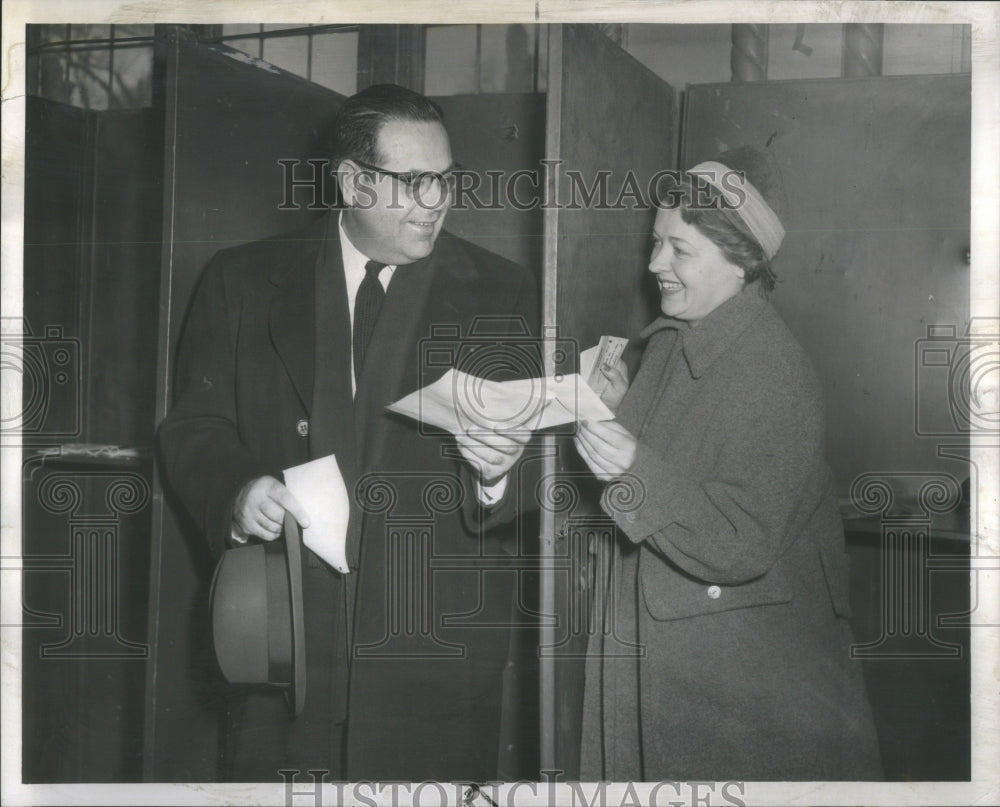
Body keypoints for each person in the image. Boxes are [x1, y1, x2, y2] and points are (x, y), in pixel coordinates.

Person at [158, 84, 539, 782]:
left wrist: (500, 470)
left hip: (429, 668)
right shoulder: (238, 281)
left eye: (447, 180)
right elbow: (193, 425)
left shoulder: (505, 292)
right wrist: (237, 491)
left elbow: (543, 468)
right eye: (414, 182)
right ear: (352, 180)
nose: (437, 202)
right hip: (282, 650)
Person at [574, 147, 883, 781]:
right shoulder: (672, 339)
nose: (654, 263)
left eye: (679, 250)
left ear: (742, 263)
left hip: (738, 678)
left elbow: (739, 540)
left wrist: (631, 466)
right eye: (657, 242)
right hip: (668, 640)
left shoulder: (775, 372)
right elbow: (673, 463)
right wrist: (615, 409)